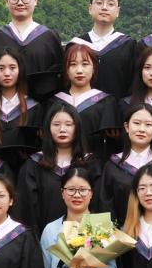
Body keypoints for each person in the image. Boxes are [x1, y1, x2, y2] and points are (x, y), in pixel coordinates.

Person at [14, 102, 98, 237]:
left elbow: (98, 206)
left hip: (86, 242)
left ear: (77, 128)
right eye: (56, 124)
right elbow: (26, 210)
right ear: (47, 129)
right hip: (44, 240)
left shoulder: (91, 164)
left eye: (68, 124)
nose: (62, 129)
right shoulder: (34, 165)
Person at [99, 103, 152, 224]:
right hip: (122, 233)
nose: (142, 129)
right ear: (127, 127)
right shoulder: (113, 166)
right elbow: (105, 208)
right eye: (136, 123)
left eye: (148, 124)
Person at [0, 48, 43, 174]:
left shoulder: (33, 107)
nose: (7, 73)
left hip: (25, 173)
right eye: (1, 68)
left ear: (20, 70)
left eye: (12, 68)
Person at [68, 0, 137, 100]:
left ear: (118, 11)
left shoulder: (128, 45)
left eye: (111, 4)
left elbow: (134, 86)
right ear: (90, 8)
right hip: (81, 110)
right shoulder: (75, 45)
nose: (104, 7)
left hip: (118, 109)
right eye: (99, 3)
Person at [55, 43, 121, 158]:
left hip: (94, 164)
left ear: (94, 67)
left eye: (85, 64)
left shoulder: (107, 102)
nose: (79, 70)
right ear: (66, 70)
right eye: (73, 64)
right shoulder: (54, 102)